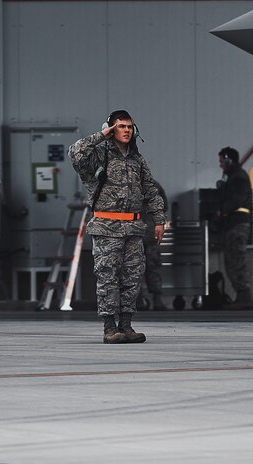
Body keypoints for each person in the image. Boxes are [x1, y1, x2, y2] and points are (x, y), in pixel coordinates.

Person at [69, 110, 165, 344]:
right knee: (108, 278)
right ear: (111, 129)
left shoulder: (136, 159)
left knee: (132, 278)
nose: (126, 130)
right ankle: (109, 327)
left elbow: (150, 190)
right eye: (121, 126)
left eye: (130, 127)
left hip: (133, 228)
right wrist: (102, 135)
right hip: (106, 228)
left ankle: (126, 325)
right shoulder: (98, 156)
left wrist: (159, 220)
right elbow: (75, 153)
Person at [212, 146, 253, 310]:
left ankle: (245, 297)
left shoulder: (238, 178)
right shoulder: (234, 177)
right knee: (232, 260)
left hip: (236, 225)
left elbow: (236, 200)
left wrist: (221, 211)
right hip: (233, 225)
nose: (221, 165)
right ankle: (242, 296)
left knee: (236, 260)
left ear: (229, 160)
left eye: (222, 161)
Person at [137, 181, 170, 311]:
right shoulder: (154, 184)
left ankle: (138, 300)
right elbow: (165, 206)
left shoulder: (128, 184)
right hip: (151, 232)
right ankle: (158, 299)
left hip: (135, 233)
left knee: (134, 269)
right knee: (153, 267)